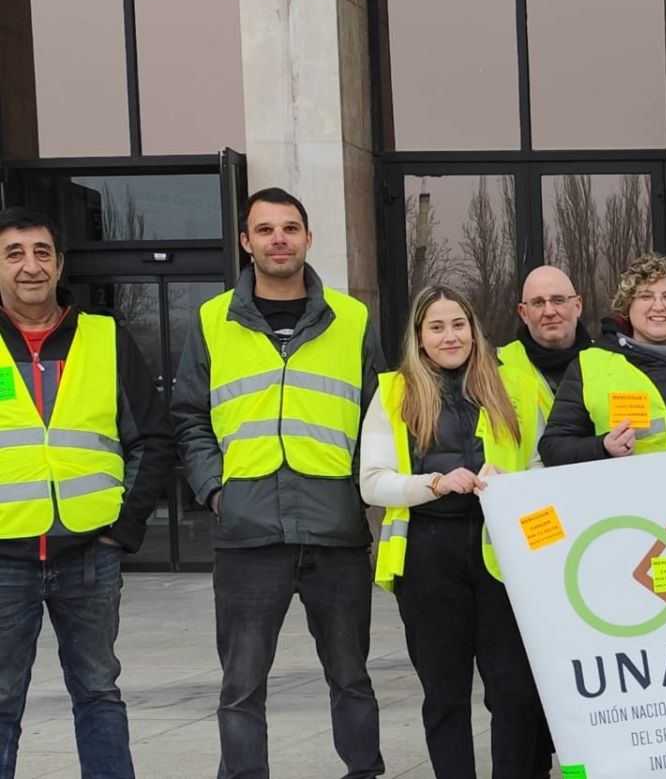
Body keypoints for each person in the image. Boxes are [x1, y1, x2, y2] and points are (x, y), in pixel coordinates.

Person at [172, 188, 385, 779]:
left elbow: (379, 418)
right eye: (265, 230)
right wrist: (217, 490)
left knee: (352, 678)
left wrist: (366, 493)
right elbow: (188, 414)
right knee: (241, 687)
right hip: (246, 532)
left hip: (334, 530)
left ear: (309, 238)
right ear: (246, 243)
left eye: (290, 228)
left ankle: (365, 772)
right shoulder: (212, 321)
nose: (279, 240)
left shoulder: (354, 319)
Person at [0, 209, 174, 779]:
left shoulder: (103, 335)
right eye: (15, 253)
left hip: (89, 555)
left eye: (42, 252)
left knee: (99, 693)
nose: (31, 266)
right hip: (5, 560)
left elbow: (150, 436)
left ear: (60, 264)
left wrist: (123, 531)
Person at [361, 285, 550, 779]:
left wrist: (519, 484)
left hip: (502, 554)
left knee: (514, 692)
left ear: (475, 330)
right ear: (419, 338)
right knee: (444, 696)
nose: (450, 336)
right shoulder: (395, 391)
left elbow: (540, 464)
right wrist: (435, 483)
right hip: (429, 557)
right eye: (437, 327)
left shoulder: (514, 387)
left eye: (459, 324)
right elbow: (372, 483)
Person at [538, 253, 666, 465]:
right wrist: (603, 446)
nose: (658, 306)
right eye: (645, 296)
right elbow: (552, 448)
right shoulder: (590, 365)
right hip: (627, 495)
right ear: (628, 306)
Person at [498, 265, 589, 405]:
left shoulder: (609, 363)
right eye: (538, 303)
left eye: (558, 300)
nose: (549, 312)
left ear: (578, 306)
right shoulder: (496, 366)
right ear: (523, 313)